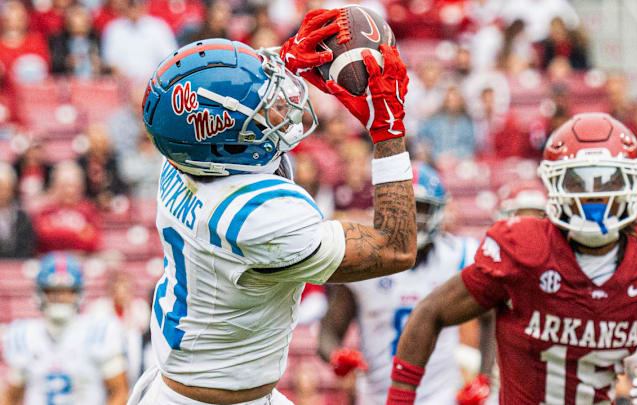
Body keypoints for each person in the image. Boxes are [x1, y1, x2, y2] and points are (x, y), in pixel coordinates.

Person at [129, 8, 415, 405]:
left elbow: (206, 109)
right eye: (263, 110)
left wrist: (280, 60)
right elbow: (396, 247)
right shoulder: (256, 217)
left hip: (190, 383)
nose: (279, 107)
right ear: (226, 143)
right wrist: (389, 133)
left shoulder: (181, 157)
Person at [386, 112, 637, 405]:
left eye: (608, 181)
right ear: (556, 184)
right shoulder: (523, 247)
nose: (594, 196)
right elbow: (430, 312)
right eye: (578, 182)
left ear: (632, 182)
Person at [318, 162, 478, 405]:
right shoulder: (364, 262)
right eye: (401, 210)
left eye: (419, 209)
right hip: (377, 396)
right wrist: (337, 356)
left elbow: (490, 317)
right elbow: (329, 331)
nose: (410, 220)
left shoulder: (457, 257)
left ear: (437, 211)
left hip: (440, 396)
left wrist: (484, 376)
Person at [1, 252, 129, 405]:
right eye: (53, 292)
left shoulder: (99, 330)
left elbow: (119, 392)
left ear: (78, 293)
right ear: (40, 293)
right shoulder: (24, 334)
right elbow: (11, 397)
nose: (60, 297)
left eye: (66, 292)